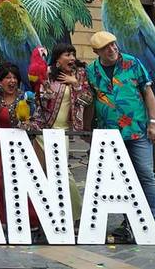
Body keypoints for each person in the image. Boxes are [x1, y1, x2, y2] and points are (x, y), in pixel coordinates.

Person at [86, 31, 155, 246]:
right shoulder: (91, 71)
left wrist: (153, 123)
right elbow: (90, 101)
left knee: (145, 175)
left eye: (114, 44)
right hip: (108, 134)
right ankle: (130, 223)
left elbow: (148, 92)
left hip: (136, 131)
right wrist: (87, 130)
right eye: (106, 47)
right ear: (97, 51)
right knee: (120, 180)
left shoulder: (133, 63)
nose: (112, 49)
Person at [33, 43, 93, 223]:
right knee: (40, 172)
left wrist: (76, 85)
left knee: (62, 172)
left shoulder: (80, 74)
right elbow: (39, 97)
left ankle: (77, 214)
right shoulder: (47, 73)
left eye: (73, 54)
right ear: (58, 59)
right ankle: (46, 215)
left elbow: (88, 99)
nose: (72, 58)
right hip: (42, 129)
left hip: (62, 132)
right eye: (68, 54)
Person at [0, 62, 40, 230]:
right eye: (7, 77)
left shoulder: (26, 98)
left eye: (15, 77)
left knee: (22, 179)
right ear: (0, 81)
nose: (11, 81)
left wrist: (28, 125)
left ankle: (30, 219)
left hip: (19, 147)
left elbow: (38, 122)